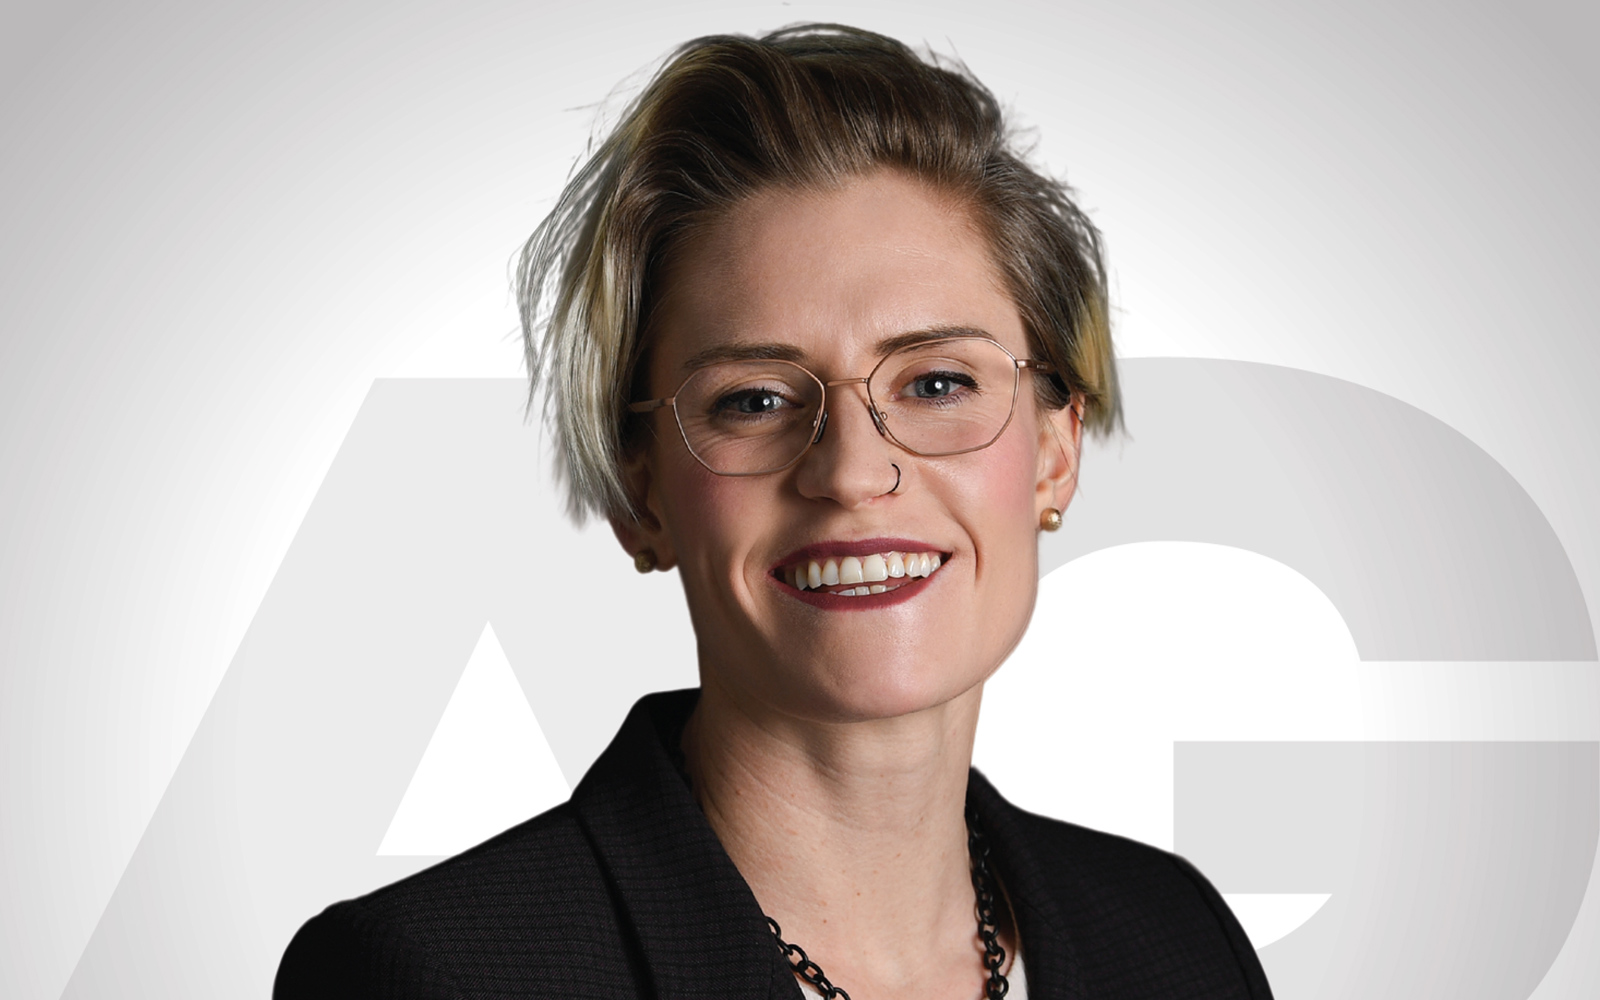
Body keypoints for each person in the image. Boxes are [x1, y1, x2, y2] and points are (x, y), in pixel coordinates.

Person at [275, 23, 1273, 1000]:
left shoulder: (1176, 940)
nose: (851, 470)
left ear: (1055, 451)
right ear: (641, 494)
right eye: (752, 399)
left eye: (934, 382)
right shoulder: (424, 975)